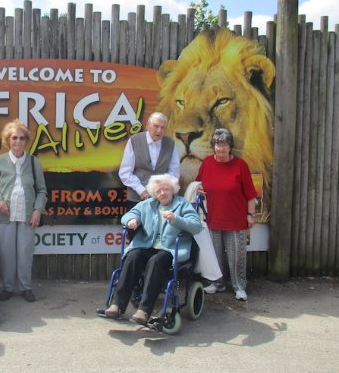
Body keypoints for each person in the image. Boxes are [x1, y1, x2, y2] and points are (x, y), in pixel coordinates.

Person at [103, 174, 201, 325]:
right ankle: (117, 305)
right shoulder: (147, 204)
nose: (162, 193)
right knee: (133, 255)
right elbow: (128, 215)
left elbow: (196, 226)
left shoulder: (182, 204)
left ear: (172, 189)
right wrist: (131, 220)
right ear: (154, 193)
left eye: (166, 189)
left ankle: (144, 310)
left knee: (156, 260)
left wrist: (176, 219)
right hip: (146, 246)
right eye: (159, 191)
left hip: (169, 250)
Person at [0, 119, 47, 303]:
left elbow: (42, 191)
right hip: (4, 216)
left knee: (25, 252)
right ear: (7, 140)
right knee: (7, 253)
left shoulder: (34, 162)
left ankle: (26, 287)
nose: (18, 142)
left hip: (28, 216)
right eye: (14, 138)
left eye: (21, 138)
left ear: (26, 141)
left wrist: (37, 210)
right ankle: (8, 287)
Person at [196, 128, 258, 301]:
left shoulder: (240, 165)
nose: (220, 149)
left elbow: (251, 194)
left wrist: (250, 214)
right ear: (213, 146)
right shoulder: (207, 163)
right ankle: (217, 283)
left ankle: (239, 286)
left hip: (236, 219)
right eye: (217, 144)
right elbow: (197, 185)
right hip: (212, 218)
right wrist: (199, 189)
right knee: (213, 256)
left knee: (236, 256)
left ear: (230, 147)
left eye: (224, 145)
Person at [119, 112, 181, 209]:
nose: (159, 131)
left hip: (162, 200)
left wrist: (161, 189)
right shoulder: (134, 141)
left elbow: (174, 172)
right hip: (136, 199)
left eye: (163, 127)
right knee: (134, 223)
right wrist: (141, 190)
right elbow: (125, 172)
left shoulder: (170, 143)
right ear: (148, 126)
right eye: (156, 126)